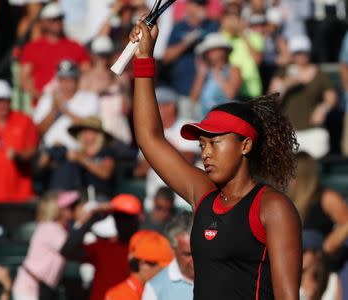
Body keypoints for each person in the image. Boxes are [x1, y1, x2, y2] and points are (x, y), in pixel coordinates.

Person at [129, 20, 302, 299]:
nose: (205, 152)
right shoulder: (205, 195)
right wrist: (144, 59)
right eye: (201, 144)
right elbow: (149, 139)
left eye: (214, 142)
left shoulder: (272, 206)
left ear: (245, 145)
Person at [61, 193, 142, 300]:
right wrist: (91, 220)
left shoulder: (145, 247)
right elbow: (67, 251)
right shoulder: (103, 246)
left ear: (138, 219)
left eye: (127, 217)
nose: (122, 221)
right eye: (118, 217)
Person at [269, 35, 338, 159]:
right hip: (289, 132)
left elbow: (331, 97)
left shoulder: (319, 74)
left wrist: (323, 109)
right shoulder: (283, 72)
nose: (301, 56)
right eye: (297, 53)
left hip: (313, 132)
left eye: (304, 52)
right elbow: (271, 99)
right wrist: (285, 85)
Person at [133, 86, 199, 210]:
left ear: (171, 107)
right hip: (154, 205)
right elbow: (140, 170)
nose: (150, 111)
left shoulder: (186, 126)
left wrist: (157, 150)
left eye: (156, 106)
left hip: (183, 203)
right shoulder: (150, 133)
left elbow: (189, 158)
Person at [13, 190, 82, 300]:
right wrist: (86, 222)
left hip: (43, 287)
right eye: (71, 207)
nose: (74, 210)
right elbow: (70, 249)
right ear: (58, 210)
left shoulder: (61, 229)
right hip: (30, 287)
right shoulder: (49, 227)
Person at [19, 2, 90, 101]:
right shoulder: (32, 48)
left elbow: (86, 72)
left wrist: (73, 94)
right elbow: (24, 79)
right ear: (43, 22)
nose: (57, 22)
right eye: (53, 19)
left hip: (72, 103)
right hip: (43, 104)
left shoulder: (75, 46)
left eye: (60, 18)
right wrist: (41, 97)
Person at [163, 0, 219, 119]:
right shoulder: (179, 27)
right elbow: (166, 57)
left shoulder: (213, 26)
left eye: (203, 4)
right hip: (183, 92)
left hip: (208, 93)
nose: (202, 7)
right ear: (188, 7)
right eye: (198, 4)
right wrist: (186, 43)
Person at [287, 152, 348, 256]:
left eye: (290, 175)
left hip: (318, 261)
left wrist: (326, 248)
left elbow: (346, 223)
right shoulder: (287, 200)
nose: (287, 180)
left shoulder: (326, 197)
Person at [32, 60, 99, 150]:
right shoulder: (46, 99)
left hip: (76, 152)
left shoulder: (90, 98)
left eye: (70, 79)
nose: (66, 83)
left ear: (77, 80)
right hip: (50, 151)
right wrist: (54, 110)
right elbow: (38, 131)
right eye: (62, 79)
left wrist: (65, 110)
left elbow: (90, 128)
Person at [44, 116, 116, 199]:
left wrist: (82, 159)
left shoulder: (106, 152)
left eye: (90, 131)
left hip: (100, 195)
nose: (86, 134)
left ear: (99, 134)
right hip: (78, 194)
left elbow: (105, 173)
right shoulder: (77, 152)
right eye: (84, 130)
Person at [105, 230, 174, 300]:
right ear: (143, 264)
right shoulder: (119, 296)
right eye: (162, 269)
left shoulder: (153, 291)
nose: (166, 275)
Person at [142, 212, 194, 300]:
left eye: (198, 252)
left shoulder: (219, 276)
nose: (194, 259)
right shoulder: (155, 288)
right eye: (187, 254)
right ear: (173, 250)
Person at [190, 32, 242, 119]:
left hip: (227, 117)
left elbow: (231, 94)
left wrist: (217, 73)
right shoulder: (204, 72)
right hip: (205, 118)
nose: (215, 53)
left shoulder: (234, 69)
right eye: (211, 50)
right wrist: (201, 75)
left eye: (218, 49)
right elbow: (194, 98)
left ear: (225, 51)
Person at [219, 2, 264, 98]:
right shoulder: (220, 38)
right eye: (229, 16)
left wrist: (242, 34)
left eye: (236, 15)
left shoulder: (254, 37)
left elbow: (258, 60)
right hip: (229, 91)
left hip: (251, 91)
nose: (233, 20)